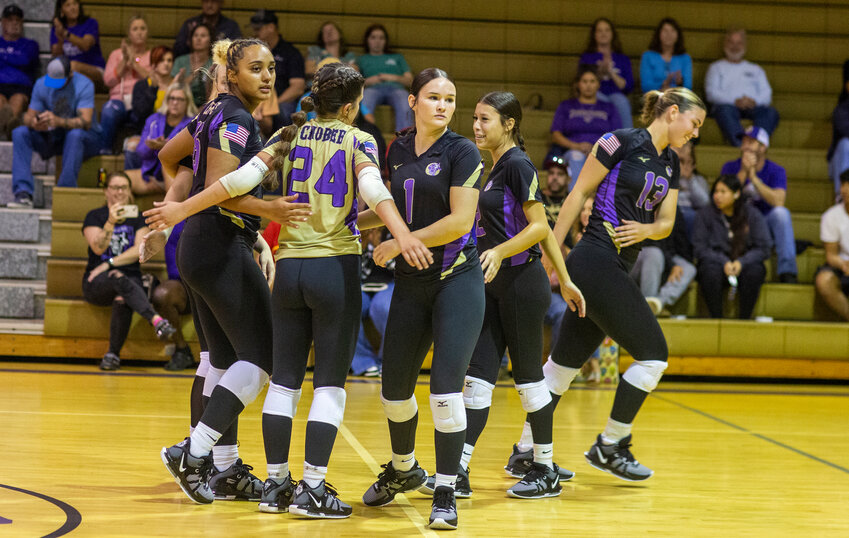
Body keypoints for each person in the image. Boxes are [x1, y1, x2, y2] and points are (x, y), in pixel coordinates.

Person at [147, 61, 430, 517]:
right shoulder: (359, 139)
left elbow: (232, 184)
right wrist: (403, 235)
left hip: (289, 267)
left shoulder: (286, 134)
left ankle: (276, 484)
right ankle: (312, 488)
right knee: (329, 386)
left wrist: (180, 210)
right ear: (351, 107)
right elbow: (375, 190)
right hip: (333, 270)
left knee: (282, 382)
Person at [511, 86, 706, 483]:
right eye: (694, 122)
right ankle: (611, 444)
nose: (696, 133)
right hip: (595, 260)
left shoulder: (670, 162)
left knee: (562, 367)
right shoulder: (619, 141)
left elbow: (666, 222)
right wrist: (550, 250)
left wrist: (646, 230)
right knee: (653, 356)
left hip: (615, 265)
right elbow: (577, 193)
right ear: (672, 112)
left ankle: (525, 451)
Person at [418, 91, 585, 501]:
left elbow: (540, 228)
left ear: (509, 123)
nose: (476, 126)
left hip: (521, 284)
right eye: (475, 118)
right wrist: (564, 280)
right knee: (476, 382)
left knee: (529, 379)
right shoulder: (491, 168)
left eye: (485, 119)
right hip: (491, 284)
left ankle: (544, 469)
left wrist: (505, 254)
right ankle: (458, 470)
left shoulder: (517, 164)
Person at [155, 38, 282, 506]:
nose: (266, 77)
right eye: (255, 68)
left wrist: (175, 210)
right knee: (265, 355)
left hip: (201, 243)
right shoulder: (236, 118)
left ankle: (225, 470)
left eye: (271, 68)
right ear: (231, 73)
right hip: (219, 243)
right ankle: (193, 453)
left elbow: (170, 157)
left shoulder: (210, 112)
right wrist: (270, 210)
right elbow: (221, 189)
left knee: (224, 360)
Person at [357, 68, 483, 531]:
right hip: (412, 283)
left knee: (445, 392)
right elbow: (390, 208)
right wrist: (347, 223)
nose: (443, 105)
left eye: (449, 98)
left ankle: (446, 490)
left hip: (456, 281)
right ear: (412, 102)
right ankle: (404, 469)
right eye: (433, 97)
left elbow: (461, 222)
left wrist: (400, 241)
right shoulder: (398, 148)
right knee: (393, 391)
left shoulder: (463, 151)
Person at [81, 171, 177, 370]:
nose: (120, 192)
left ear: (129, 191)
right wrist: (110, 221)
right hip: (97, 281)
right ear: (106, 191)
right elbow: (98, 248)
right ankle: (156, 320)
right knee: (118, 278)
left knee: (122, 296)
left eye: (124, 188)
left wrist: (109, 263)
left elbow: (137, 250)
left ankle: (112, 356)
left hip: (128, 278)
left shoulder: (138, 218)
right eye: (115, 188)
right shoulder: (95, 216)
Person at [8, 56, 100, 208]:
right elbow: (28, 117)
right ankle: (23, 193)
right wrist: (35, 123)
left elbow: (86, 121)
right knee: (20, 132)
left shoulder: (84, 84)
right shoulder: (41, 83)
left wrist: (59, 121)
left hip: (85, 138)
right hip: (54, 136)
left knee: (75, 135)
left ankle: (65, 192)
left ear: (70, 75)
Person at [720, 126, 798, 283]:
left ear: (763, 147)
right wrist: (743, 172)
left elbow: (779, 201)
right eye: (744, 142)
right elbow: (724, 198)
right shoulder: (730, 167)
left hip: (765, 221)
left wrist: (754, 179)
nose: (745, 146)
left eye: (751, 142)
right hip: (737, 220)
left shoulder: (776, 170)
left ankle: (788, 272)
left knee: (782, 214)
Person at [693, 175, 771, 319]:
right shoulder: (705, 215)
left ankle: (744, 319)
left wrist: (742, 262)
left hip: (743, 263)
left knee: (755, 271)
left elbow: (764, 247)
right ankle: (716, 318)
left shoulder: (752, 215)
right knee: (708, 271)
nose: (718, 196)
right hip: (716, 263)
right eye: (716, 192)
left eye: (723, 192)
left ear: (736, 194)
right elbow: (699, 248)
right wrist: (723, 262)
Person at [547, 65, 621, 188]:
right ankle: (577, 197)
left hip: (602, 151)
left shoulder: (609, 108)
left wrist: (596, 149)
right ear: (578, 84)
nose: (588, 85)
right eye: (584, 81)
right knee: (576, 157)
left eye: (592, 81)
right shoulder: (566, 106)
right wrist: (577, 146)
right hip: (573, 150)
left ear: (598, 84)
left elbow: (617, 136)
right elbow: (555, 135)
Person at [705, 28, 779, 146]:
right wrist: (735, 101)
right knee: (723, 111)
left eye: (739, 43)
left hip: (753, 106)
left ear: (745, 45)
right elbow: (711, 93)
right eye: (731, 42)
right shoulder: (716, 67)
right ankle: (741, 145)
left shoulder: (755, 69)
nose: (735, 46)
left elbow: (767, 94)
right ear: (724, 44)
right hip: (727, 107)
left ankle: (755, 144)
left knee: (771, 112)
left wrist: (754, 101)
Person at [126, 83, 195, 195]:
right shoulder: (154, 120)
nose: (175, 102)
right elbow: (140, 152)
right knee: (121, 180)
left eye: (180, 99)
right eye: (172, 98)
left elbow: (192, 154)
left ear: (187, 102)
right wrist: (151, 146)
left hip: (177, 174)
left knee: (167, 161)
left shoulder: (193, 123)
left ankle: (173, 201)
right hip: (149, 174)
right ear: (166, 100)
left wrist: (167, 147)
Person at [630, 207, 696, 315]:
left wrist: (678, 263)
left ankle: (657, 303)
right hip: (640, 254)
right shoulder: (641, 204)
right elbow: (650, 242)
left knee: (689, 269)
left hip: (669, 256)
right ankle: (647, 307)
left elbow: (681, 241)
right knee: (654, 254)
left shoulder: (675, 208)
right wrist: (672, 265)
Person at [99, 14, 150, 154]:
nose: (139, 32)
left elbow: (153, 81)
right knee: (108, 111)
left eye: (143, 28)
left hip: (142, 102)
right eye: (135, 29)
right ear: (129, 33)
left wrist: (134, 64)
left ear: (148, 33)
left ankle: (140, 152)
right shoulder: (116, 54)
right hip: (119, 100)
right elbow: (108, 81)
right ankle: (105, 151)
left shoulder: (152, 55)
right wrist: (124, 60)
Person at [250, 9, 305, 130]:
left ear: (271, 27)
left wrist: (273, 104)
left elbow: (298, 87)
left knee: (283, 111)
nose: (254, 32)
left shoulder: (290, 53)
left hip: (281, 101)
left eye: (258, 29)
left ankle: (282, 142)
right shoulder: (252, 51)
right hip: (256, 98)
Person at [351, 227, 395, 377]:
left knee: (384, 308)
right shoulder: (359, 227)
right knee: (347, 307)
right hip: (362, 284)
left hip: (392, 282)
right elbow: (356, 271)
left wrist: (379, 248)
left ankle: (387, 363)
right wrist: (363, 248)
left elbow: (402, 267)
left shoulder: (397, 227)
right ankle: (363, 362)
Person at [356, 24, 413, 132]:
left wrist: (390, 77)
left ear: (386, 41)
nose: (377, 41)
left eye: (381, 38)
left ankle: (404, 138)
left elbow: (409, 80)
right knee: (364, 100)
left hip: (396, 89)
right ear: (367, 40)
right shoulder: (362, 59)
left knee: (405, 101)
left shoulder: (397, 57)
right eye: (373, 37)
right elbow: (355, 83)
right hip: (372, 89)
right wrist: (370, 80)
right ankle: (364, 138)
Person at [579, 18, 634, 129]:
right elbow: (581, 84)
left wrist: (611, 73)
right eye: (599, 31)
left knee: (621, 101)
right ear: (594, 35)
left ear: (612, 34)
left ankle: (627, 137)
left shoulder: (622, 58)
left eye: (607, 30)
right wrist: (599, 73)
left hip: (617, 95)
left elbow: (628, 86)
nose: (603, 34)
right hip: (596, 94)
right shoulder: (587, 57)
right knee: (597, 99)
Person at [0, 4, 39, 140]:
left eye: (17, 20)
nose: (14, 23)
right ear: (3, 22)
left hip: (21, 86)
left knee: (18, 100)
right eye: (10, 20)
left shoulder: (30, 44)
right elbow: (20, 60)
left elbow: (25, 60)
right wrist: (14, 59)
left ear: (22, 23)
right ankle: (10, 126)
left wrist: (3, 57)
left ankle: (8, 124)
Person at [815, 170, 849, 321]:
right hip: (842, 264)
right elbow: (831, 255)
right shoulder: (831, 216)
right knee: (824, 280)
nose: (845, 190)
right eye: (843, 185)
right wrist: (844, 265)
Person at [50, 0, 105, 88]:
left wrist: (65, 34)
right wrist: (60, 40)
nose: (73, 8)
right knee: (52, 76)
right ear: (61, 11)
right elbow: (56, 56)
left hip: (95, 70)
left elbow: (85, 45)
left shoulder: (90, 23)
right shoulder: (57, 28)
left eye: (75, 4)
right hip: (70, 74)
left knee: (73, 66)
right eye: (68, 5)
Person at [172, 0, 240, 58]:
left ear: (221, 3)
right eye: (206, 1)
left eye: (214, 1)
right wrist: (190, 41)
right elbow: (177, 51)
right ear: (202, 2)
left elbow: (237, 52)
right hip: (193, 65)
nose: (209, 5)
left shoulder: (231, 26)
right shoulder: (190, 24)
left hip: (222, 66)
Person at [640, 17, 692, 92]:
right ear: (658, 34)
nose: (669, 34)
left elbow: (688, 86)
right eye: (665, 31)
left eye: (672, 31)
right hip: (654, 97)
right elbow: (645, 86)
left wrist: (680, 83)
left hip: (678, 96)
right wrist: (663, 84)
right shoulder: (647, 56)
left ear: (678, 35)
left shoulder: (685, 58)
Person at [671, 141, 710, 234]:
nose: (681, 165)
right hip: (670, 212)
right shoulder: (663, 176)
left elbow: (704, 203)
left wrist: (690, 179)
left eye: (686, 162)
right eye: (679, 160)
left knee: (695, 217)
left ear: (693, 164)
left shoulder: (698, 180)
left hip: (690, 214)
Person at [172, 23, 213, 108]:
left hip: (205, 108)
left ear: (210, 40)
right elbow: (171, 89)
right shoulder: (180, 61)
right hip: (180, 106)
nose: (198, 39)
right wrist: (182, 81)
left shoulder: (214, 64)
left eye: (203, 36)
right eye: (195, 35)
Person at [131, 46, 176, 124]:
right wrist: (153, 89)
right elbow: (140, 114)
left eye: (169, 60)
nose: (166, 64)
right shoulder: (141, 86)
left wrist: (177, 87)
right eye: (161, 60)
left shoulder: (177, 84)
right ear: (153, 64)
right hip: (147, 128)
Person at [828, 67, 849, 197]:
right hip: (839, 162)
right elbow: (845, 130)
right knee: (845, 144)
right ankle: (842, 197)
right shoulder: (842, 109)